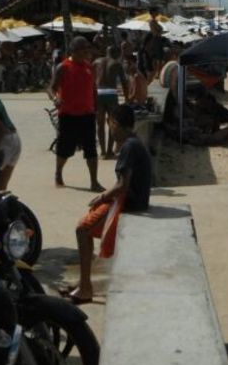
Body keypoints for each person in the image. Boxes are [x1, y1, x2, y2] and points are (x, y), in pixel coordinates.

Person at [67, 104, 152, 304]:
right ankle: (83, 282)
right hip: (135, 199)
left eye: (110, 125)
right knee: (90, 217)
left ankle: (86, 288)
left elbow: (122, 186)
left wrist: (102, 196)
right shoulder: (133, 142)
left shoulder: (129, 147)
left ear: (115, 123)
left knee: (82, 229)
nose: (109, 130)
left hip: (130, 203)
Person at [48, 36, 104, 190]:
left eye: (87, 49)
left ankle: (94, 181)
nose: (86, 52)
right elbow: (52, 87)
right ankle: (58, 173)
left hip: (87, 114)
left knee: (91, 149)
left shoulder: (89, 67)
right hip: (68, 114)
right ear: (74, 50)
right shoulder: (63, 67)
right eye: (83, 49)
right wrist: (55, 98)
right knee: (65, 149)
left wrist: (96, 107)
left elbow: (93, 89)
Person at [93, 45, 130, 158]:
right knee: (112, 123)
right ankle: (109, 151)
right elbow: (124, 82)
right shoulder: (116, 63)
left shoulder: (96, 62)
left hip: (98, 92)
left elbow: (90, 79)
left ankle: (103, 151)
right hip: (111, 93)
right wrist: (127, 98)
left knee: (100, 123)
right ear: (116, 54)